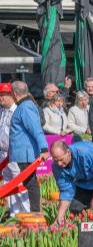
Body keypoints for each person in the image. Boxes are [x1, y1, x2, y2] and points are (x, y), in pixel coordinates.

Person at [5, 82, 49, 212]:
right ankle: (33, 212)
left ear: (14, 93)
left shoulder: (25, 107)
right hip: (22, 152)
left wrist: (44, 148)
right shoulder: (25, 105)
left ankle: (35, 213)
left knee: (31, 183)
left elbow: (36, 129)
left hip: (25, 153)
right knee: (29, 183)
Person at [0, 83, 32, 214]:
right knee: (8, 184)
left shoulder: (18, 110)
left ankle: (25, 212)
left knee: (19, 183)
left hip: (15, 153)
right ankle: (14, 212)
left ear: (12, 95)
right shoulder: (2, 111)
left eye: (2, 95)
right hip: (3, 152)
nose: (0, 98)